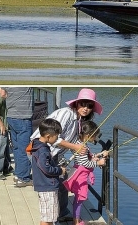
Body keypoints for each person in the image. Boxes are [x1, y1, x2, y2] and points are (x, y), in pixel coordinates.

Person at [30, 88, 103, 223]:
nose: (85, 108)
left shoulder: (79, 120)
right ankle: (52, 217)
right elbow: (54, 137)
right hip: (45, 151)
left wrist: (91, 155)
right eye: (83, 104)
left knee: (62, 183)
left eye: (89, 106)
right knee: (51, 188)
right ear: (76, 103)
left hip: (55, 154)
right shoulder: (67, 114)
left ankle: (61, 213)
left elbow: (75, 140)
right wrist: (75, 147)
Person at [63, 121, 108, 225]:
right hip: (81, 176)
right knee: (80, 198)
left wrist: (100, 154)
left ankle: (76, 220)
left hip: (79, 173)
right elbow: (85, 163)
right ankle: (76, 221)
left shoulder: (80, 143)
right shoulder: (82, 147)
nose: (96, 138)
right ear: (88, 135)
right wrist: (98, 163)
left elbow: (88, 157)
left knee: (79, 198)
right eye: (95, 136)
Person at [30, 118, 66, 225]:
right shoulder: (43, 150)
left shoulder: (37, 145)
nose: (57, 138)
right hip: (47, 187)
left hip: (44, 185)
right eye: (57, 136)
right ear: (48, 136)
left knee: (47, 216)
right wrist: (59, 170)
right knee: (48, 218)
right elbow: (46, 168)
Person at [6, 87, 34, 187]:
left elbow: (1, 93)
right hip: (23, 117)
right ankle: (24, 178)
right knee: (25, 149)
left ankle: (19, 174)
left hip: (11, 116)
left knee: (17, 148)